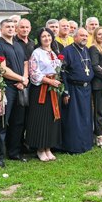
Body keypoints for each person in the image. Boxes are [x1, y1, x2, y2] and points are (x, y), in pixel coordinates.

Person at [0, 19, 29, 165]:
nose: (11, 29)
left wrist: (24, 79)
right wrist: (21, 78)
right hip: (6, 88)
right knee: (2, 123)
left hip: (21, 86)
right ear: (1, 29)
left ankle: (14, 152)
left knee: (18, 122)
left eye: (13, 26)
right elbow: (2, 69)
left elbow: (26, 62)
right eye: (8, 27)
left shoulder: (18, 44)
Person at [27, 28, 63, 161]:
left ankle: (48, 147)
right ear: (39, 39)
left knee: (51, 118)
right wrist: (50, 81)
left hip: (53, 89)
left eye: (49, 36)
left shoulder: (54, 52)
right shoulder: (36, 53)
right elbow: (34, 72)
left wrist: (57, 81)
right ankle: (40, 149)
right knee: (40, 119)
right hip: (41, 89)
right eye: (44, 36)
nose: (47, 38)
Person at [61, 29, 95, 153]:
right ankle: (73, 146)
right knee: (74, 119)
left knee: (85, 118)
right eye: (82, 35)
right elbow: (62, 72)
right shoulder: (67, 51)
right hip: (73, 89)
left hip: (86, 89)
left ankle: (85, 144)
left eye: (86, 35)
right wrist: (65, 92)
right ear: (74, 37)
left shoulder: (86, 50)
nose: (84, 38)